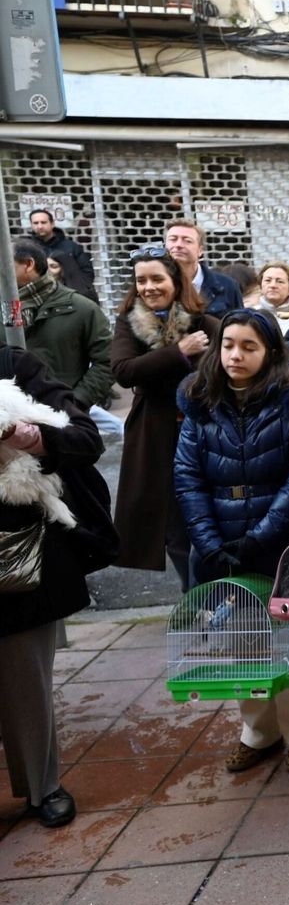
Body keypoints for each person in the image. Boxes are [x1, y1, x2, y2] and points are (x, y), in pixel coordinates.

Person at [174, 309, 289, 773]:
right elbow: (187, 477)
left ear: (270, 352)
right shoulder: (201, 404)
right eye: (228, 345)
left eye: (249, 347)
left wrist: (262, 534)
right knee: (241, 637)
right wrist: (207, 540)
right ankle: (259, 732)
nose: (236, 355)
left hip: (280, 538)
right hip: (221, 538)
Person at [0, 345, 103, 830]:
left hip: (16, 558)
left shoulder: (15, 367)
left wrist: (29, 437)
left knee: (25, 680)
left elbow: (85, 438)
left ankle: (43, 787)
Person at [110, 244, 219, 586]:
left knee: (209, 513)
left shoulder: (205, 323)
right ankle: (193, 596)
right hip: (155, 434)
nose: (148, 287)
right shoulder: (129, 322)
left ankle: (221, 593)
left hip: (205, 432)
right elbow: (124, 370)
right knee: (171, 522)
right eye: (140, 280)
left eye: (156, 278)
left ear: (175, 279)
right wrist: (179, 352)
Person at [12, 238, 112, 411]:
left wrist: (76, 401)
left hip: (63, 421)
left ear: (28, 264)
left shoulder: (81, 308)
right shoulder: (6, 308)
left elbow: (108, 361)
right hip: (10, 420)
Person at [166, 217, 243, 317]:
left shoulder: (227, 286)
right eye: (173, 239)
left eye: (187, 241)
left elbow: (241, 326)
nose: (178, 245)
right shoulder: (156, 285)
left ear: (200, 250)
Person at [28, 208, 95, 301]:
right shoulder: (28, 249)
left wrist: (79, 290)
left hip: (70, 296)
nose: (39, 226)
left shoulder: (71, 247)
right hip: (39, 297)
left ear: (52, 224)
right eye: (35, 223)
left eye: (43, 222)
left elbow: (87, 272)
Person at [256, 261, 289, 333]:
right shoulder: (251, 313)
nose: (273, 285)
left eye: (280, 281)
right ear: (260, 286)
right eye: (268, 280)